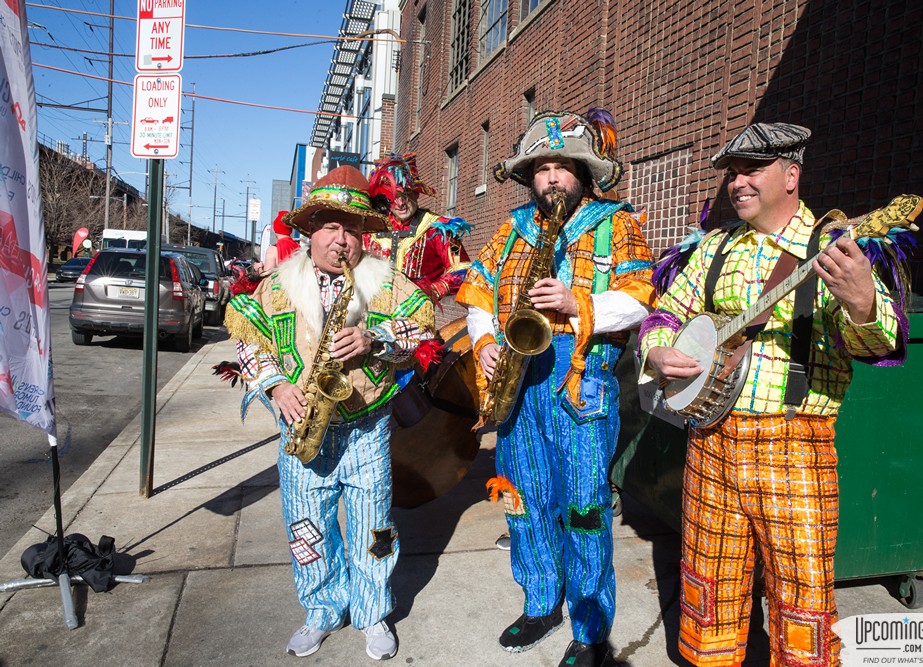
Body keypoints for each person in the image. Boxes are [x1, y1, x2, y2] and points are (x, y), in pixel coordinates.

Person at [640, 122, 909, 666]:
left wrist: (860, 302)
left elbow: (877, 342)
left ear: (791, 174)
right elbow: (665, 313)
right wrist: (657, 352)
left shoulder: (834, 249)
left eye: (751, 170)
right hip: (710, 443)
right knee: (708, 590)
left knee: (801, 598)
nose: (737, 182)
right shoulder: (714, 246)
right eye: (732, 172)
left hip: (794, 448)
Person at [456, 108, 656, 667]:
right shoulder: (511, 228)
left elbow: (643, 296)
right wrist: (486, 340)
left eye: (562, 167)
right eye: (542, 169)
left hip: (581, 384)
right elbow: (478, 292)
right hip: (519, 384)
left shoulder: (617, 224)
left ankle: (591, 630)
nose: (550, 178)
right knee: (524, 501)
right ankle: (541, 601)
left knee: (585, 508)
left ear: (583, 173)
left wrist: (578, 303)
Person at [224, 166, 438, 662]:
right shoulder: (276, 285)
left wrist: (375, 339)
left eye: (351, 229)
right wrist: (275, 387)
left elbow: (421, 331)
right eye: (329, 227)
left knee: (375, 528)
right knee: (306, 526)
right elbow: (248, 344)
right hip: (302, 425)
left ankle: (373, 612)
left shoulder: (387, 282)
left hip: (366, 427)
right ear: (310, 232)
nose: (341, 240)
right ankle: (321, 610)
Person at [366, 153, 472, 305]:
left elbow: (462, 270)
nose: (401, 203)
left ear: (417, 194)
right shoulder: (372, 228)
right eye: (394, 196)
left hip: (415, 318)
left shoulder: (438, 229)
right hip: (370, 313)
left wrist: (430, 291)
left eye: (406, 194)